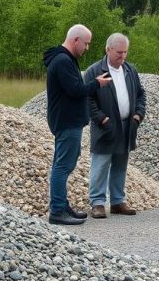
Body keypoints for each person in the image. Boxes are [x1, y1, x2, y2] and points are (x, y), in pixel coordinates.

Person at [42, 24, 110, 226]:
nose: (87, 48)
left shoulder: (63, 59)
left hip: (67, 120)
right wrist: (97, 83)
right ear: (75, 40)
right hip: (67, 121)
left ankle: (62, 206)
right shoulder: (63, 61)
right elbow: (75, 90)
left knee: (64, 164)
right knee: (62, 166)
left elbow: (73, 88)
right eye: (86, 43)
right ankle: (57, 210)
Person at [84, 32, 146, 218]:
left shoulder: (130, 70)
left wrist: (138, 115)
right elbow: (87, 98)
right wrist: (101, 119)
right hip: (105, 126)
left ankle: (118, 201)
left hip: (127, 126)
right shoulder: (95, 71)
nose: (123, 56)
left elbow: (141, 94)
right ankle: (97, 202)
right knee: (101, 164)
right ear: (108, 49)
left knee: (121, 163)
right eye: (119, 52)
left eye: (125, 52)